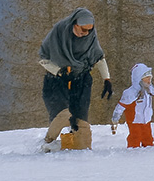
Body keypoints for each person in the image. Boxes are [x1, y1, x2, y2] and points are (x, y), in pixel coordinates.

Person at [38, 8, 113, 151]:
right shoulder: (58, 32)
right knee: (62, 115)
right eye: (83, 29)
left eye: (89, 30)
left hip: (81, 79)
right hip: (56, 80)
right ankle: (49, 141)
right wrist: (59, 71)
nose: (85, 33)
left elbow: (98, 58)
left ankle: (75, 143)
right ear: (74, 23)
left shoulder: (90, 38)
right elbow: (44, 58)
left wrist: (107, 79)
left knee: (80, 121)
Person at [110, 63, 154, 148]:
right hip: (135, 120)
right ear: (139, 78)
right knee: (136, 136)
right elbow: (120, 107)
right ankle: (133, 150)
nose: (149, 80)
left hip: (146, 119)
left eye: (150, 78)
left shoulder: (149, 89)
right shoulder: (130, 93)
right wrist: (115, 119)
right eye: (146, 78)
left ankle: (148, 150)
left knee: (147, 136)